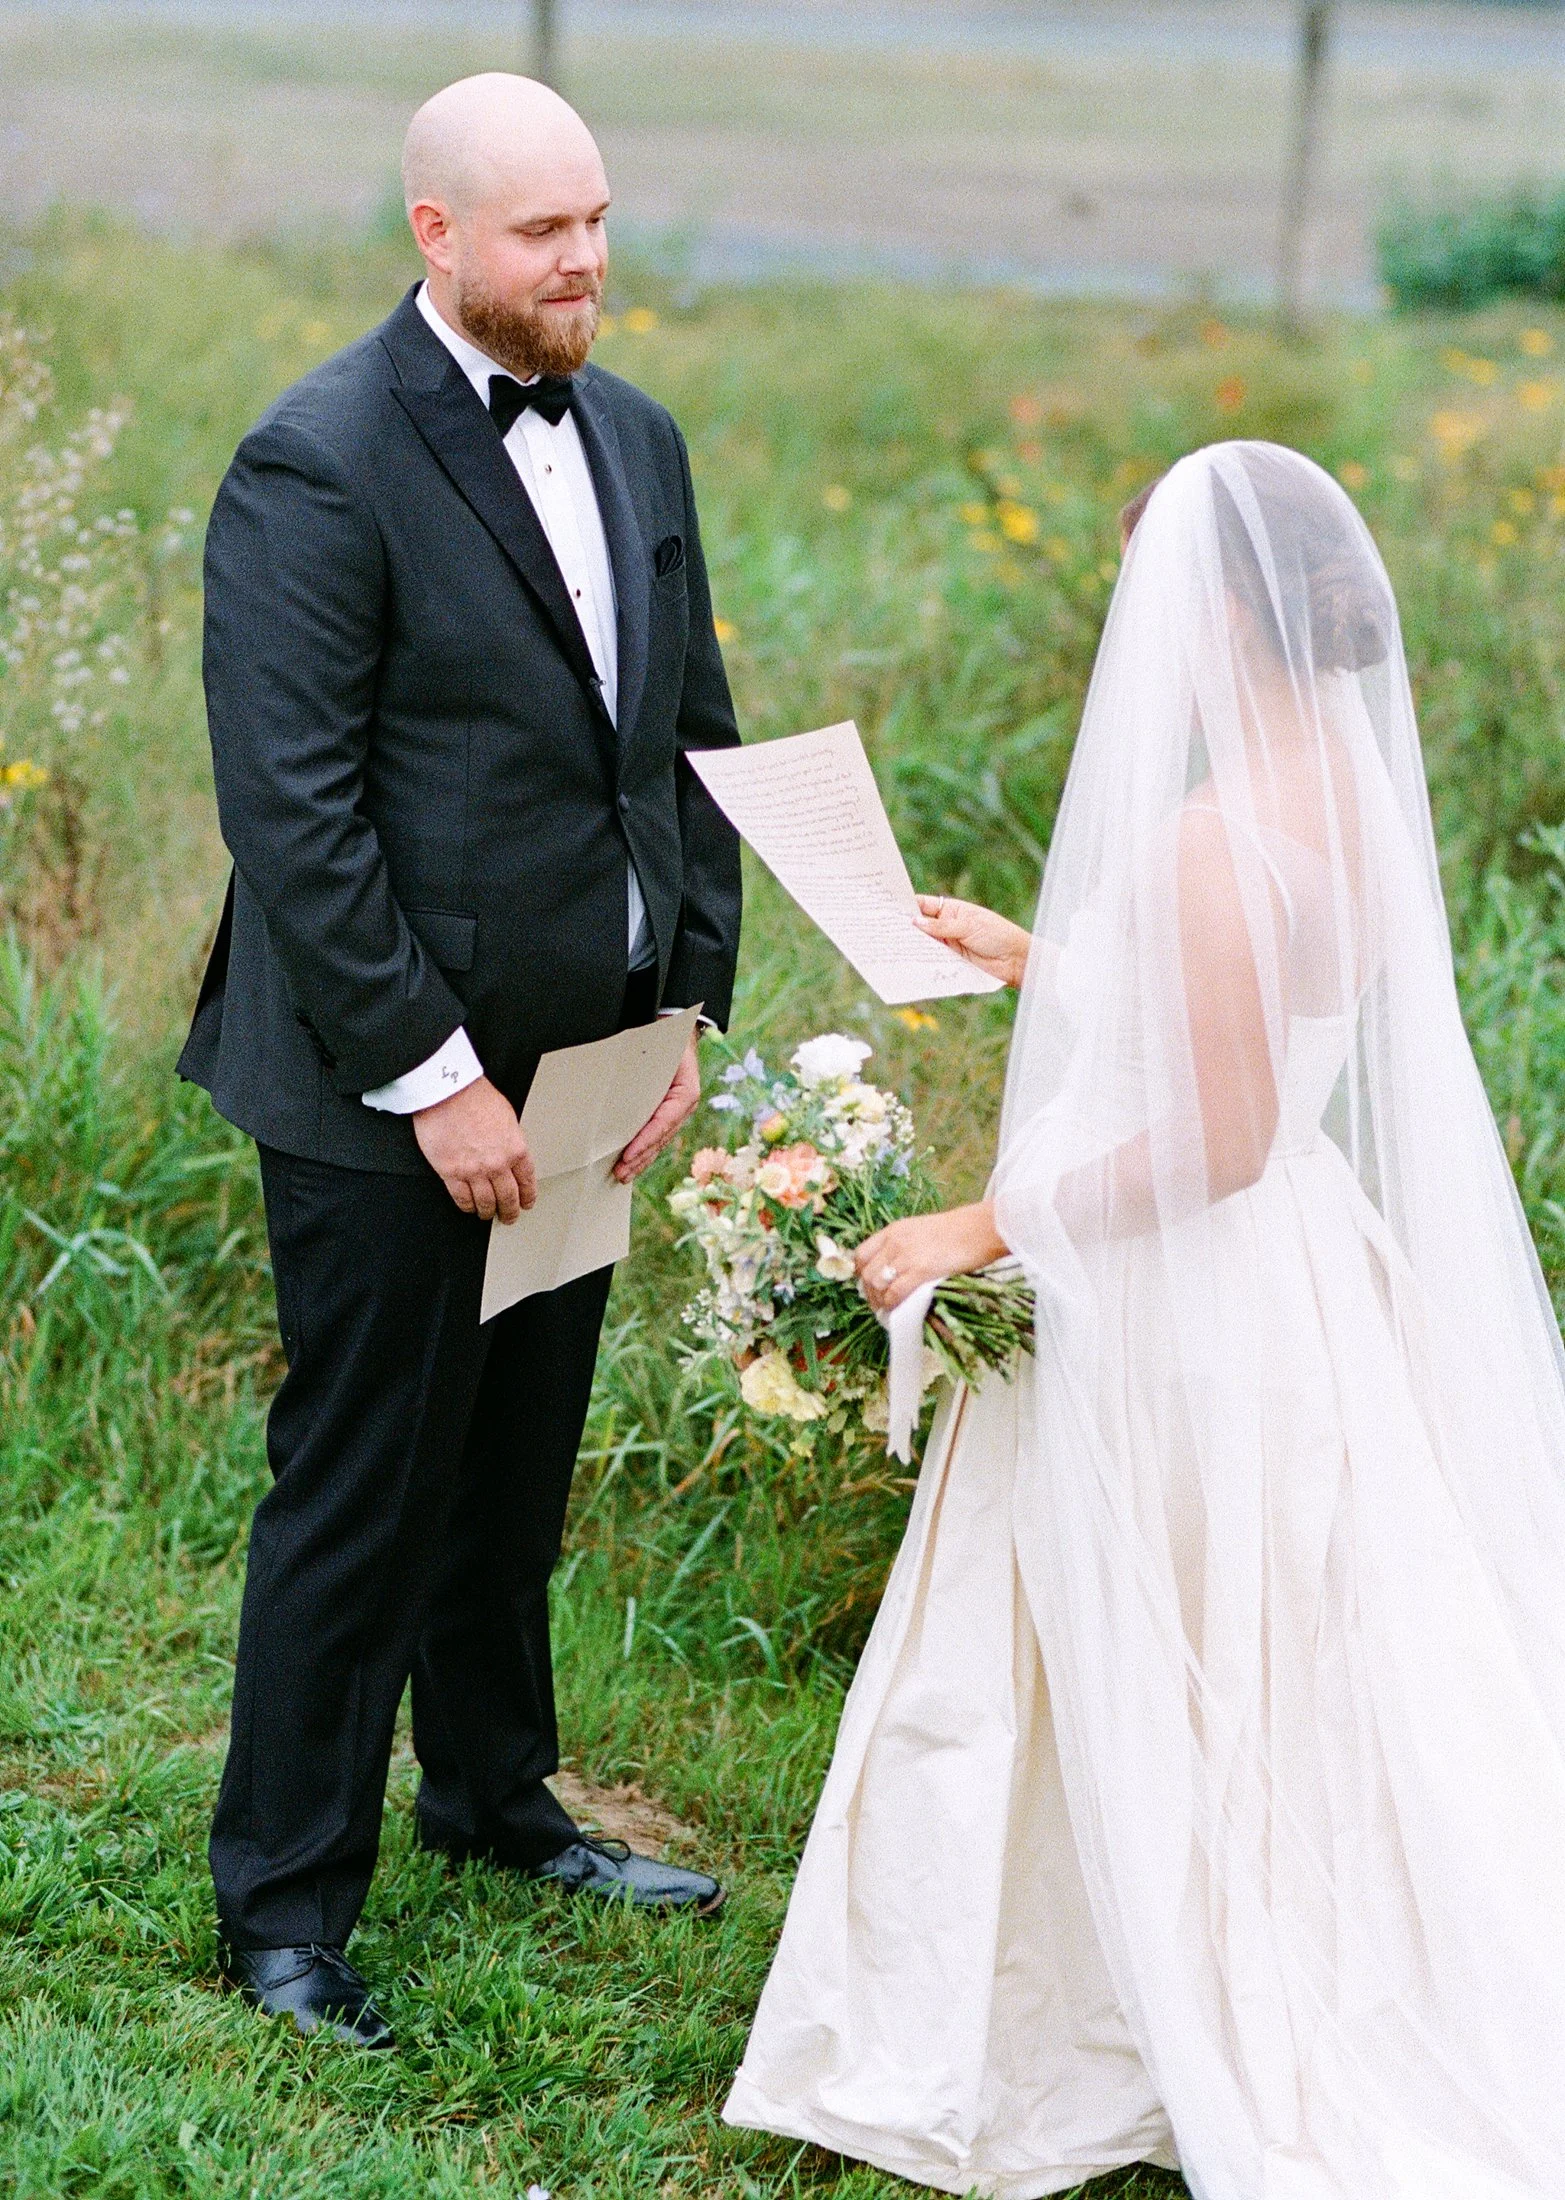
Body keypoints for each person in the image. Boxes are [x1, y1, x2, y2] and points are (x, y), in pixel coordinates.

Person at [725, 441, 1565, 2197]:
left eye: (1150, 603)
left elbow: (1222, 1137)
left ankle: (1089, 2004)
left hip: (1187, 1299)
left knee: (1126, 1635)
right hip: (1304, 1292)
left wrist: (978, 1220)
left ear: (1220, 621)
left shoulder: (1205, 835)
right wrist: (1051, 955)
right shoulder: (1341, 780)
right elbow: (1261, 1017)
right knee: (1281, 1653)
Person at [179, 72, 742, 2048]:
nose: (583, 258)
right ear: (434, 235)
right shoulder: (316, 458)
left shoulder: (642, 435)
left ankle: (496, 1796)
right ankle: (285, 1909)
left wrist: (679, 1006)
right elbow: (294, 811)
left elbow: (686, 740)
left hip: (588, 1068)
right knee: (362, 1483)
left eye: (595, 216)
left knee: (512, 1471)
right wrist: (436, 1076)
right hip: (378, 1089)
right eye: (538, 231)